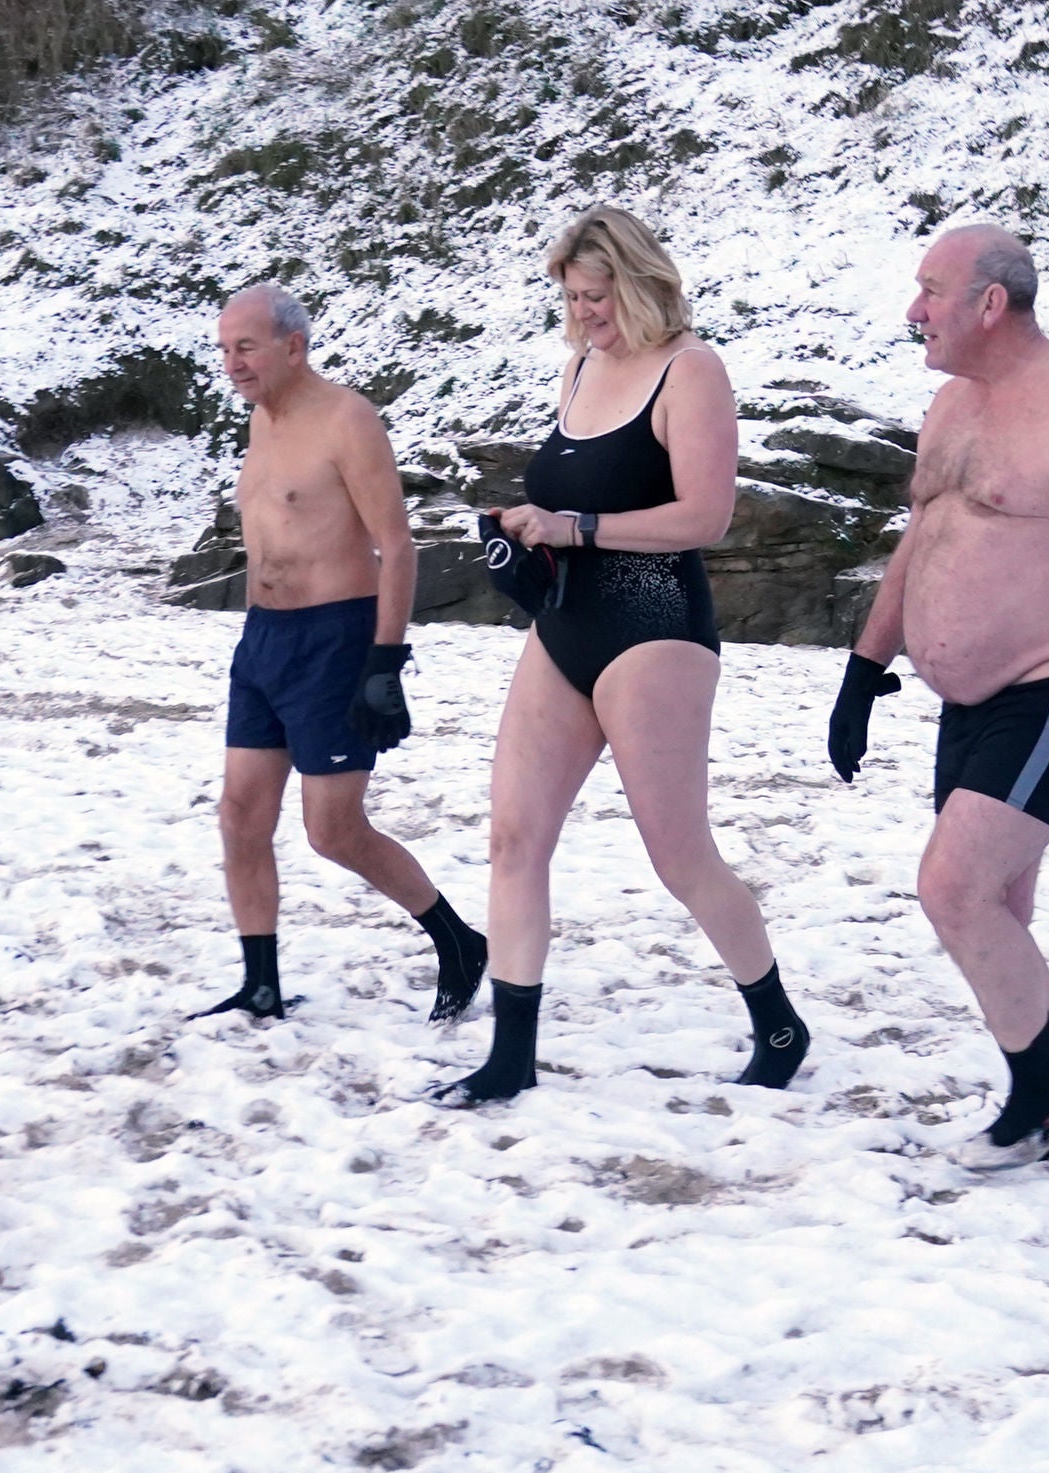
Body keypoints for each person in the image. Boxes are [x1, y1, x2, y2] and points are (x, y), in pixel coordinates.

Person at [827, 226, 1049, 1168]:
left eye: (930, 291)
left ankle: (1043, 1104)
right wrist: (866, 670)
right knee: (998, 914)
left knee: (954, 888)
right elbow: (923, 539)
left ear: (991, 302)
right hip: (967, 699)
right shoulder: (949, 407)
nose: (913, 312)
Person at [444, 207, 803, 1104]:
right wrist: (526, 532)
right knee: (513, 838)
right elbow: (563, 497)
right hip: (564, 627)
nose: (584, 314)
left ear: (638, 284)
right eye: (571, 297)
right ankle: (510, 1055)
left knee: (678, 855)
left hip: (656, 629)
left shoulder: (692, 371)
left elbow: (706, 517)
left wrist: (581, 526)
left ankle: (778, 1022)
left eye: (596, 296)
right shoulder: (578, 367)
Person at [207, 282, 489, 1022]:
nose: (231, 363)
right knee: (240, 814)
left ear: (292, 347)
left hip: (334, 638)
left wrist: (384, 662)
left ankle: (458, 941)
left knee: (333, 829)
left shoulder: (346, 419)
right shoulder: (261, 424)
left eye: (245, 347)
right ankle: (260, 983)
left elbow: (396, 545)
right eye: (224, 349)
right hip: (262, 640)